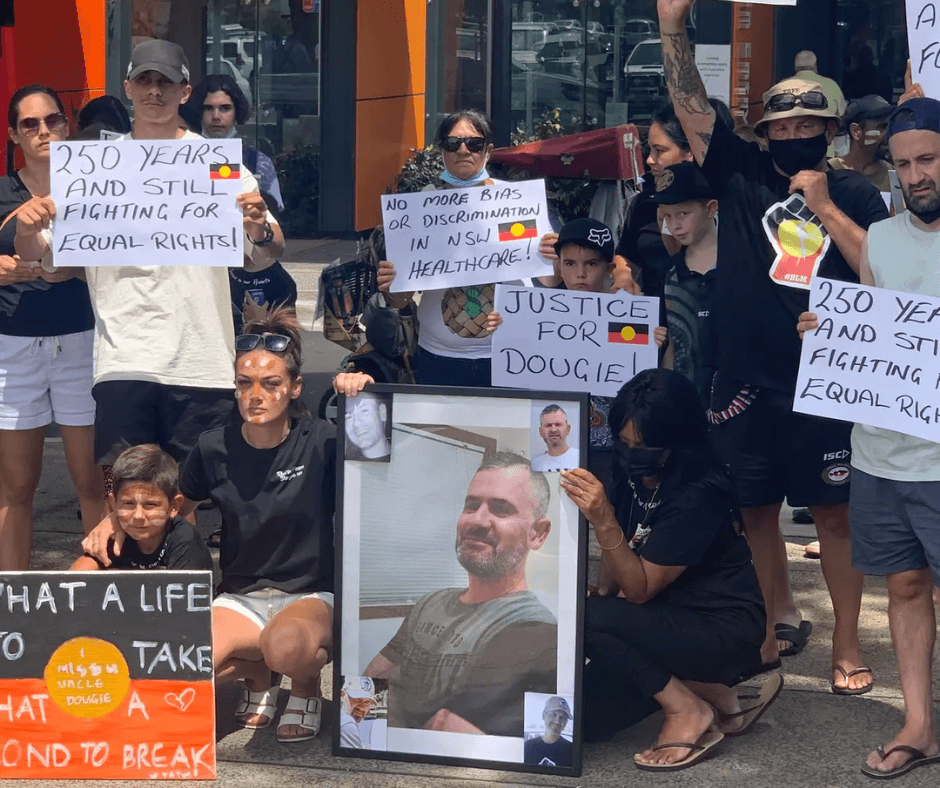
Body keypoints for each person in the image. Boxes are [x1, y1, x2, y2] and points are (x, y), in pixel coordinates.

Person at [655, 0, 888, 690]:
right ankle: (767, 624)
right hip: (744, 379)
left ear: (831, 132)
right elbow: (691, 107)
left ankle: (847, 646)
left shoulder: (860, 194)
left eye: (806, 126)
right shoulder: (739, 171)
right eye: (780, 127)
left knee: (835, 517)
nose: (791, 136)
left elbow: (877, 271)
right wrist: (673, 26)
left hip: (827, 382)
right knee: (754, 510)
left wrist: (824, 206)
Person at [14, 39, 285, 488]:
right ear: (128, 88)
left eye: (166, 82)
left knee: (190, 502)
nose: (154, 91)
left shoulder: (216, 164)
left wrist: (258, 225)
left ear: (184, 91)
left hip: (200, 358)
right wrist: (27, 229)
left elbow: (268, 249)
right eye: (145, 81)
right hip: (124, 358)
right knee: (128, 499)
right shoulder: (95, 166)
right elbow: (40, 254)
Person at [83, 308, 335, 743]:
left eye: (271, 384)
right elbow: (176, 503)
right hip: (241, 595)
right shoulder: (214, 446)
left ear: (294, 388)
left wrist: (363, 389)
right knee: (178, 656)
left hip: (310, 593)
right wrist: (118, 520)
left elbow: (382, 455)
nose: (255, 395)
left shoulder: (323, 441)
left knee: (287, 646)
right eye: (244, 383)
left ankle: (304, 685)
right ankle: (259, 675)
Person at [798, 97, 940, 779]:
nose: (917, 176)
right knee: (905, 587)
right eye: (905, 163)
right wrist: (826, 335)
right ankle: (918, 724)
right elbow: (869, 334)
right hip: (880, 455)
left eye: (929, 160)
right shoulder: (881, 239)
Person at [560, 369, 776, 771]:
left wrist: (602, 519)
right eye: (623, 444)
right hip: (667, 621)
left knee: (582, 617)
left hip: (721, 630)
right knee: (586, 720)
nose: (630, 455)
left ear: (679, 439)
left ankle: (686, 709)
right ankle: (713, 694)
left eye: (643, 446)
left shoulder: (698, 494)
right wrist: (605, 595)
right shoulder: (632, 474)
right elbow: (628, 543)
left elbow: (640, 589)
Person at [364, 451, 557, 736]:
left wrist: (385, 721)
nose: (477, 520)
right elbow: (372, 682)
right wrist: (364, 736)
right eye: (471, 505)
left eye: (501, 509)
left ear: (537, 533)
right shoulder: (431, 603)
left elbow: (458, 735)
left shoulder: (539, 632)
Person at [0, 85, 104, 570]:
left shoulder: (95, 187)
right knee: (16, 485)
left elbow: (125, 258)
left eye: (54, 121)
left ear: (68, 125)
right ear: (13, 134)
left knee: (90, 478)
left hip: (80, 339)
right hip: (14, 344)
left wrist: (77, 269)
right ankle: (12, 603)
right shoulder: (2, 191)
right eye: (30, 124)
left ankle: (101, 596)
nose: (44, 132)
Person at [376, 110, 556, 388]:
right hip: (439, 357)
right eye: (452, 143)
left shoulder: (515, 203)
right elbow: (400, 301)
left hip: (509, 351)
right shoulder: (419, 211)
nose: (463, 150)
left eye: (473, 143)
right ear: (442, 150)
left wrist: (551, 257)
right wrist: (391, 284)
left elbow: (549, 281)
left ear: (488, 150)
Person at [612, 100, 732, 298]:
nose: (650, 159)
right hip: (656, 318)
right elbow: (626, 254)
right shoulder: (645, 202)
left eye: (660, 150)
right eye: (649, 149)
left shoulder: (738, 201)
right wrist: (624, 275)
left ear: (691, 151)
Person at [70, 444, 211, 571]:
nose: (138, 516)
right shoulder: (116, 532)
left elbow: (185, 593)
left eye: (150, 505)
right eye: (128, 504)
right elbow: (80, 572)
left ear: (174, 506)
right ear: (114, 503)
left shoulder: (184, 541)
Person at [654, 161, 718, 407]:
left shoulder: (741, 267)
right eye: (667, 215)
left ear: (711, 208)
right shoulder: (669, 273)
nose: (674, 225)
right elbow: (673, 343)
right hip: (686, 404)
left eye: (683, 213)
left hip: (740, 408)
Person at [188, 73, 284, 211]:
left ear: (237, 111)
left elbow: (274, 218)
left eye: (225, 108)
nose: (216, 116)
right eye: (208, 108)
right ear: (198, 111)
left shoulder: (259, 163)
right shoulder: (182, 159)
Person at [829, 95, 894, 193]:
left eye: (889, 127)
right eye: (881, 127)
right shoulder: (830, 172)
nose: (888, 133)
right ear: (856, 131)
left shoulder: (894, 174)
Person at [524, 696, 573, 767]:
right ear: (543, 715)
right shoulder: (528, 746)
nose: (557, 721)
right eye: (554, 715)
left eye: (562, 718)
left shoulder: (571, 750)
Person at [344, 391, 391, 461]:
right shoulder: (343, 465)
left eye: (364, 411)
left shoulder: (406, 456)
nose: (356, 423)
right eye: (349, 417)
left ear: (382, 412)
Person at [531, 405, 578, 473]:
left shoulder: (580, 457)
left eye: (558, 424)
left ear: (568, 429)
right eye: (548, 425)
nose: (553, 430)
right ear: (540, 431)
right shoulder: (534, 464)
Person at [339, 676, 382, 749]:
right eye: (357, 700)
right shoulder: (347, 724)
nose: (361, 708)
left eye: (366, 702)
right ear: (343, 695)